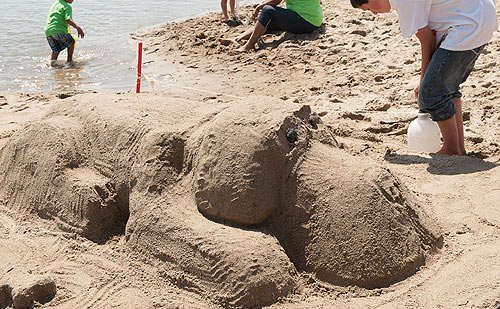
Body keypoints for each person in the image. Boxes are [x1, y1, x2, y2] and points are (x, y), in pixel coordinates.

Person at [350, 0, 498, 156]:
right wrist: (426, 79)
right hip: (481, 17)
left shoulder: (403, 3)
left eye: (368, 9)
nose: (373, 13)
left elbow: (428, 41)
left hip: (469, 25)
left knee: (430, 95)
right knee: (447, 88)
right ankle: (458, 149)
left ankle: (451, 149)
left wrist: (424, 82)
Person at [220, 0, 323, 52]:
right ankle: (237, 38)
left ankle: (248, 45)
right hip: (308, 19)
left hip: (307, 20)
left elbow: (275, 1)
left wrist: (258, 7)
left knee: (267, 10)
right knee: (266, 21)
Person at [45, 0, 85, 65]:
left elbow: (57, 17)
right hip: (58, 30)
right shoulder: (67, 7)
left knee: (56, 49)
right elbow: (68, 19)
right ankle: (69, 61)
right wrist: (78, 28)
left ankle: (53, 64)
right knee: (71, 42)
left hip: (48, 31)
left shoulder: (56, 3)